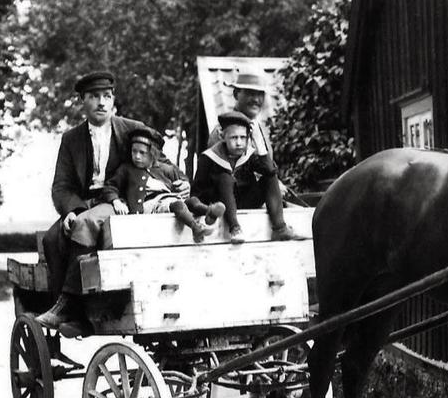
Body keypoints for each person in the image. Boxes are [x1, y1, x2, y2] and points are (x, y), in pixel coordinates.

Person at [36, 70, 188, 329]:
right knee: (52, 239)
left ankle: (73, 306)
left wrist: (181, 181)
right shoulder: (71, 139)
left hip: (119, 200)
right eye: (94, 97)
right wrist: (71, 210)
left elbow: (161, 163)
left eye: (107, 96)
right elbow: (61, 185)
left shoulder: (132, 129)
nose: (102, 103)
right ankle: (70, 313)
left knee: (87, 225)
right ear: (82, 101)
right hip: (84, 202)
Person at [101, 126, 225, 243]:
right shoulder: (126, 169)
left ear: (153, 153)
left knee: (192, 200)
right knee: (177, 204)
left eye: (142, 152)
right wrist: (116, 201)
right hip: (150, 206)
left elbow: (181, 176)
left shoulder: (164, 168)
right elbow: (110, 186)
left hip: (169, 201)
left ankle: (209, 211)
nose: (137, 156)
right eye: (134, 151)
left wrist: (184, 183)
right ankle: (196, 227)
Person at [193, 110, 294, 244]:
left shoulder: (248, 156)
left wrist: (259, 143)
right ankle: (235, 228)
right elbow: (196, 193)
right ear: (222, 136)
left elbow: (270, 171)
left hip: (245, 203)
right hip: (220, 207)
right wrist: (208, 208)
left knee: (270, 177)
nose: (239, 143)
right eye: (234, 138)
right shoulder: (208, 158)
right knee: (225, 178)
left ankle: (280, 228)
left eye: (243, 137)